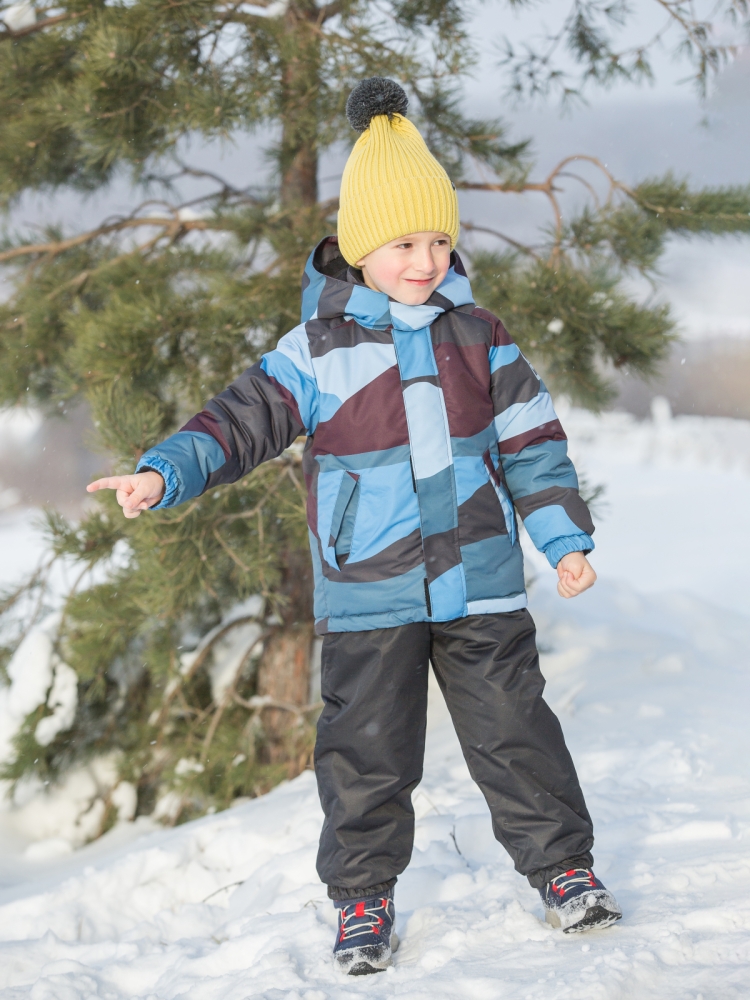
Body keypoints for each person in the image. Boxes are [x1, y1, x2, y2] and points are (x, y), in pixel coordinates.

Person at [88, 77, 622, 976]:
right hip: (369, 586)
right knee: (367, 752)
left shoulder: (480, 336)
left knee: (516, 731)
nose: (426, 259)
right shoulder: (318, 351)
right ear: (359, 246)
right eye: (404, 243)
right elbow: (239, 421)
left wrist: (563, 539)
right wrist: (163, 471)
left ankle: (565, 870)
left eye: (439, 240)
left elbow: (533, 442)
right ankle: (363, 899)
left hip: (481, 579)